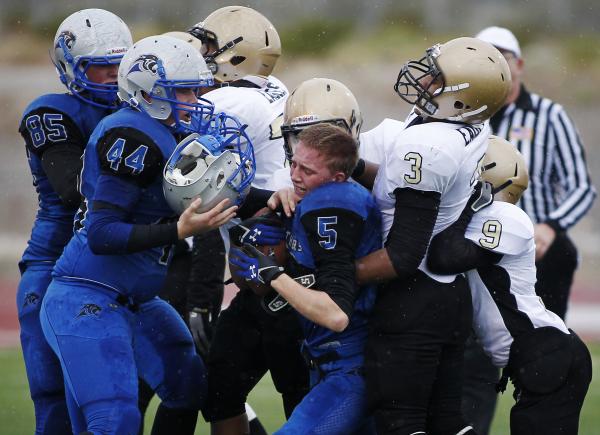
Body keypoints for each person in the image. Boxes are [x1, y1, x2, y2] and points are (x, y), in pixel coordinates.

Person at [39, 35, 240, 434]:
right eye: (184, 90)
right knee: (114, 419)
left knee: (190, 386)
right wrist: (177, 230)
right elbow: (101, 233)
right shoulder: (132, 136)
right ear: (149, 93)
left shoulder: (164, 132)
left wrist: (281, 199)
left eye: (197, 89)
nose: (195, 99)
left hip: (136, 300)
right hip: (87, 295)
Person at [354, 37, 511, 434]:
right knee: (447, 422)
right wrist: (349, 167)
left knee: (400, 422)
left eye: (436, 78)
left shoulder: (430, 144)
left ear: (463, 98)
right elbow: (401, 189)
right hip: (446, 296)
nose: (423, 81)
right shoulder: (466, 126)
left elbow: (403, 254)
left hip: (414, 299)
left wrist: (332, 276)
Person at [455, 25, 598, 435]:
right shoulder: (469, 114)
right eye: (486, 56)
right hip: (480, 249)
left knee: (540, 347)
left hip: (539, 248)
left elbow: (581, 186)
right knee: (477, 351)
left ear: (518, 64)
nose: (495, 65)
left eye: (502, 56)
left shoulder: (550, 115)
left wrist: (550, 228)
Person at [178, 8, 310, 435]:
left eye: (211, 46)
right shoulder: (275, 89)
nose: (203, 54)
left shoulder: (225, 101)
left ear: (237, 56)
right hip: (281, 247)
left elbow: (188, 176)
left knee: (285, 392)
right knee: (226, 388)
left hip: (265, 249)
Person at [427, 136, 592, 435]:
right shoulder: (481, 219)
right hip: (541, 353)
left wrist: (467, 205)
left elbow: (444, 257)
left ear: (482, 181)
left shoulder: (505, 217)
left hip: (546, 349)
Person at [17, 9, 132, 434]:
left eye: (119, 65)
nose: (111, 76)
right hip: (53, 264)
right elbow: (72, 188)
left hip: (117, 269)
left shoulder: (140, 113)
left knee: (116, 404)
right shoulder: (51, 111)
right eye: (100, 66)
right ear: (71, 67)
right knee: (54, 403)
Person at [230, 123, 382, 434]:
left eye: (307, 171)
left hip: (350, 364)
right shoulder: (308, 199)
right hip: (325, 360)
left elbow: (336, 315)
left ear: (338, 178)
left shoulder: (332, 204)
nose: (294, 176)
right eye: (294, 164)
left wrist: (273, 274)